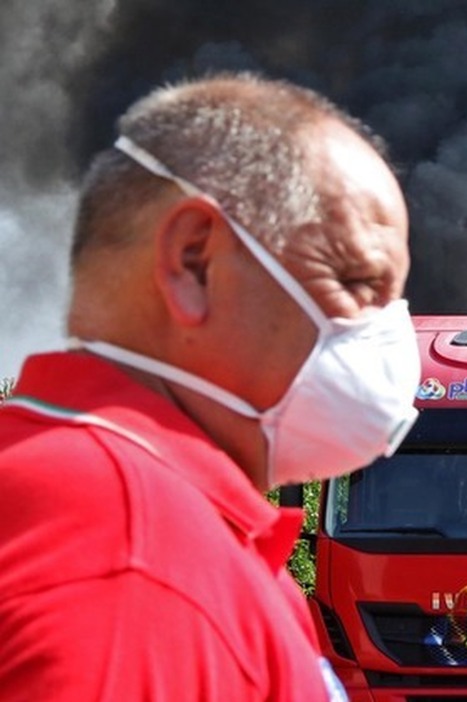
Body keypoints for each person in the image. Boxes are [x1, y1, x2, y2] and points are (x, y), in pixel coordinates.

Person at [0, 73, 420, 700]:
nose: (388, 335)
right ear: (195, 261)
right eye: (357, 281)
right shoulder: (134, 562)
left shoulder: (156, 529)